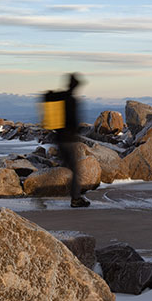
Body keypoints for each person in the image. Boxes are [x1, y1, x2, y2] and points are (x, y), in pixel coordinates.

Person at [53, 73, 89, 208]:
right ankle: (76, 199)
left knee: (65, 168)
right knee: (75, 170)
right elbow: (73, 120)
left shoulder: (61, 97)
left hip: (59, 138)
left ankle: (40, 191)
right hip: (68, 139)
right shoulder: (71, 100)